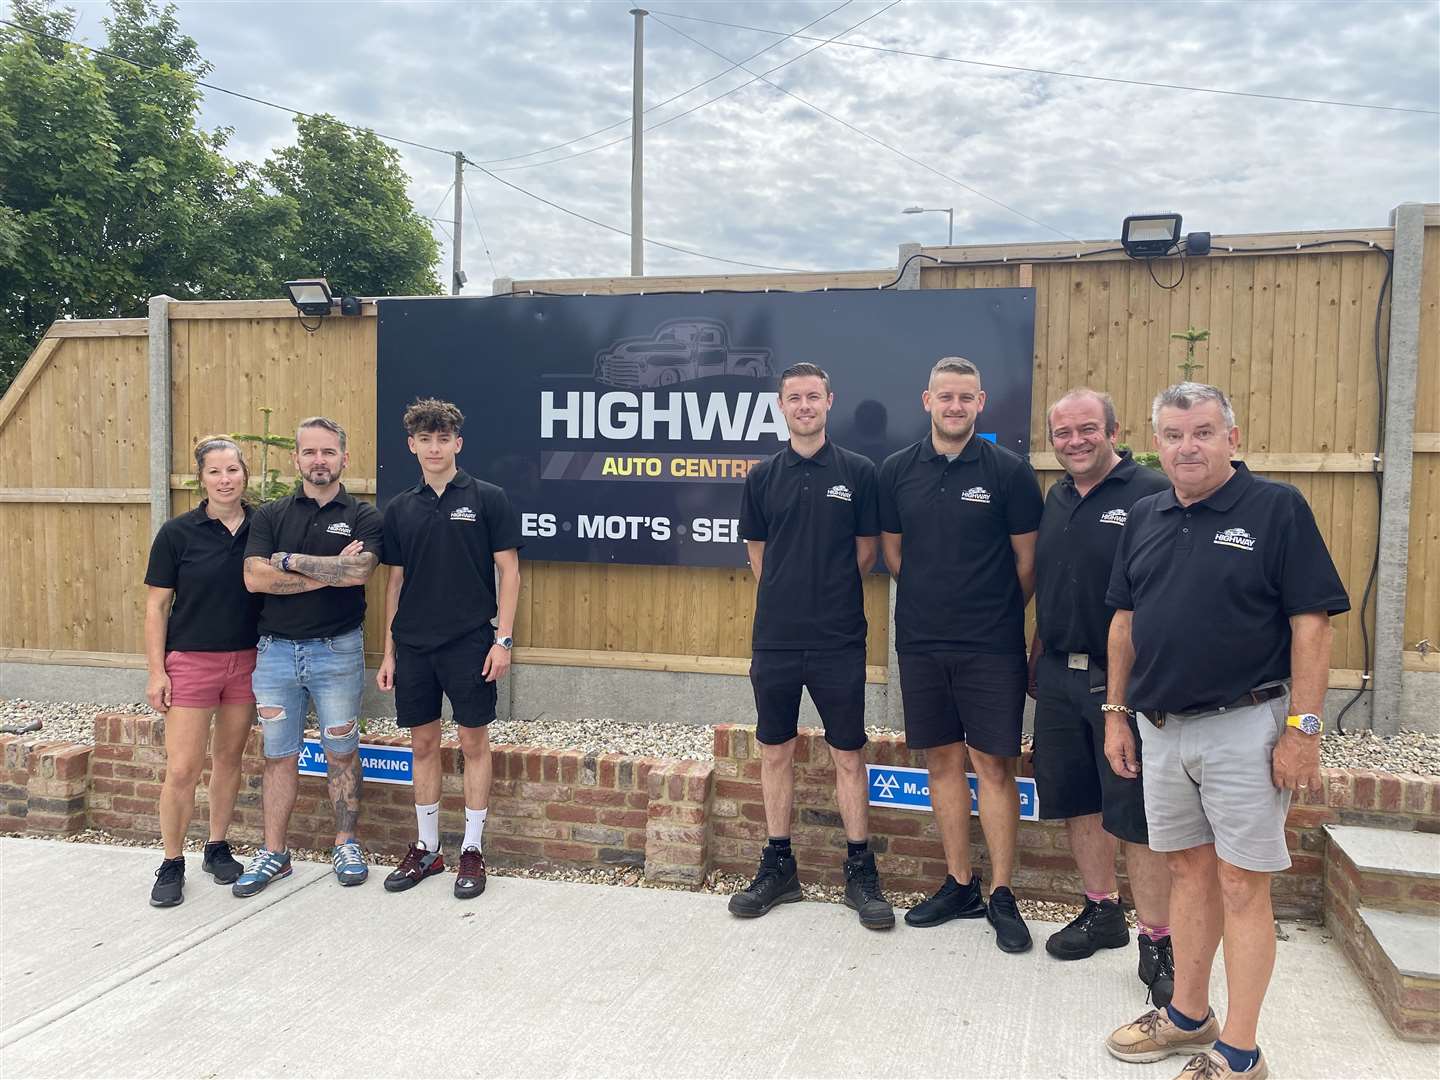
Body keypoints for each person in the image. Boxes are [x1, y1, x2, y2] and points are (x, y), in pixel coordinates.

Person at [1101, 383, 1348, 1080]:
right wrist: (1117, 714)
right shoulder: (1145, 515)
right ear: (1157, 443)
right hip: (1162, 729)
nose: (1188, 447)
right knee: (1187, 871)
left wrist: (1302, 728)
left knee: (1242, 884)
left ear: (1232, 439)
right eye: (1174, 435)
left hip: (1247, 727)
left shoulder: (1277, 510)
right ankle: (1187, 1015)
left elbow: (1312, 624)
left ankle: (1240, 1051)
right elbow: (1123, 621)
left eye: (1203, 432)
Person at [879, 356, 1043, 953]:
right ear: (927, 401)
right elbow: (896, 556)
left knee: (994, 765)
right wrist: (934, 602)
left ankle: (1002, 893)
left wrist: (991, 612)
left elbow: (1028, 563)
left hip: (990, 646)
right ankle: (959, 883)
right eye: (944, 396)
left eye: (965, 398)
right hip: (922, 642)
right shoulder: (897, 471)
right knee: (942, 762)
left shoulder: (1009, 472)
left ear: (981, 403)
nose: (954, 406)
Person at [728, 362, 894, 930]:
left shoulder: (859, 472)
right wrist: (788, 595)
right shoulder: (762, 477)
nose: (804, 406)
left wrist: (824, 595)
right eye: (794, 398)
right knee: (776, 750)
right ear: (782, 407)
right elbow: (758, 555)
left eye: (813, 397)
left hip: (839, 637)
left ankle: (860, 871)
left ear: (830, 402)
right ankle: (779, 867)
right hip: (775, 639)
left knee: (848, 753)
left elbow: (866, 552)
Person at [1029, 388, 1175, 1001]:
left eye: (1087, 429)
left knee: (1135, 816)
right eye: (1063, 433)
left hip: (1123, 685)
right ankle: (1102, 911)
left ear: (1112, 430)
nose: (1075, 442)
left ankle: (1159, 940)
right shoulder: (1056, 498)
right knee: (1078, 802)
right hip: (1060, 677)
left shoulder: (1148, 495)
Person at [376, 398, 522, 899]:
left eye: (443, 439)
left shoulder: (488, 498)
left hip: (470, 644)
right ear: (411, 445)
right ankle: (428, 848)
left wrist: (502, 639)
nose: (434, 448)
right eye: (425, 440)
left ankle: (474, 851)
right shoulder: (398, 508)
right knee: (423, 745)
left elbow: (510, 572)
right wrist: (389, 651)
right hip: (414, 646)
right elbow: (394, 584)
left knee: (474, 744)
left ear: (457, 444)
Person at [234, 416, 383, 896]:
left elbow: (359, 572)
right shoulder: (270, 516)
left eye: (328, 452)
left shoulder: (364, 517)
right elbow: (255, 578)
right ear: (295, 458)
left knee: (341, 750)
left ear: (344, 458)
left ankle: (346, 843)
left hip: (336, 651)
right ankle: (275, 853)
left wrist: (290, 560)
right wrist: (330, 569)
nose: (320, 461)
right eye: (310, 452)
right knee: (279, 755)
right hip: (275, 654)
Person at [143, 437, 265, 907]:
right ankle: (172, 860)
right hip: (192, 662)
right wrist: (158, 671)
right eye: (215, 472)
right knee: (183, 767)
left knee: (230, 759)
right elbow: (156, 606)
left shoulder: (263, 528)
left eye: (232, 470)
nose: (225, 479)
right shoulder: (178, 533)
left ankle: (216, 847)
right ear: (202, 478)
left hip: (247, 660)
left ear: (244, 474)